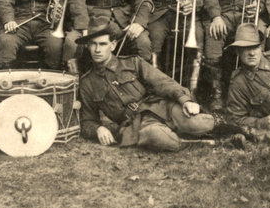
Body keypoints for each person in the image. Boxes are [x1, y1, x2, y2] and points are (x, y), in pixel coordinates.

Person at [78, 24, 216, 152]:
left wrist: (185, 100)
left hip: (160, 108)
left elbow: (162, 81)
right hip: (136, 124)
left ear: (112, 45)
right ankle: (189, 142)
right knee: (155, 135)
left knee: (202, 124)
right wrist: (98, 129)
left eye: (102, 44)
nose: (97, 50)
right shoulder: (87, 82)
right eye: (93, 44)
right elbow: (87, 120)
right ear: (88, 47)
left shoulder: (133, 63)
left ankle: (210, 130)